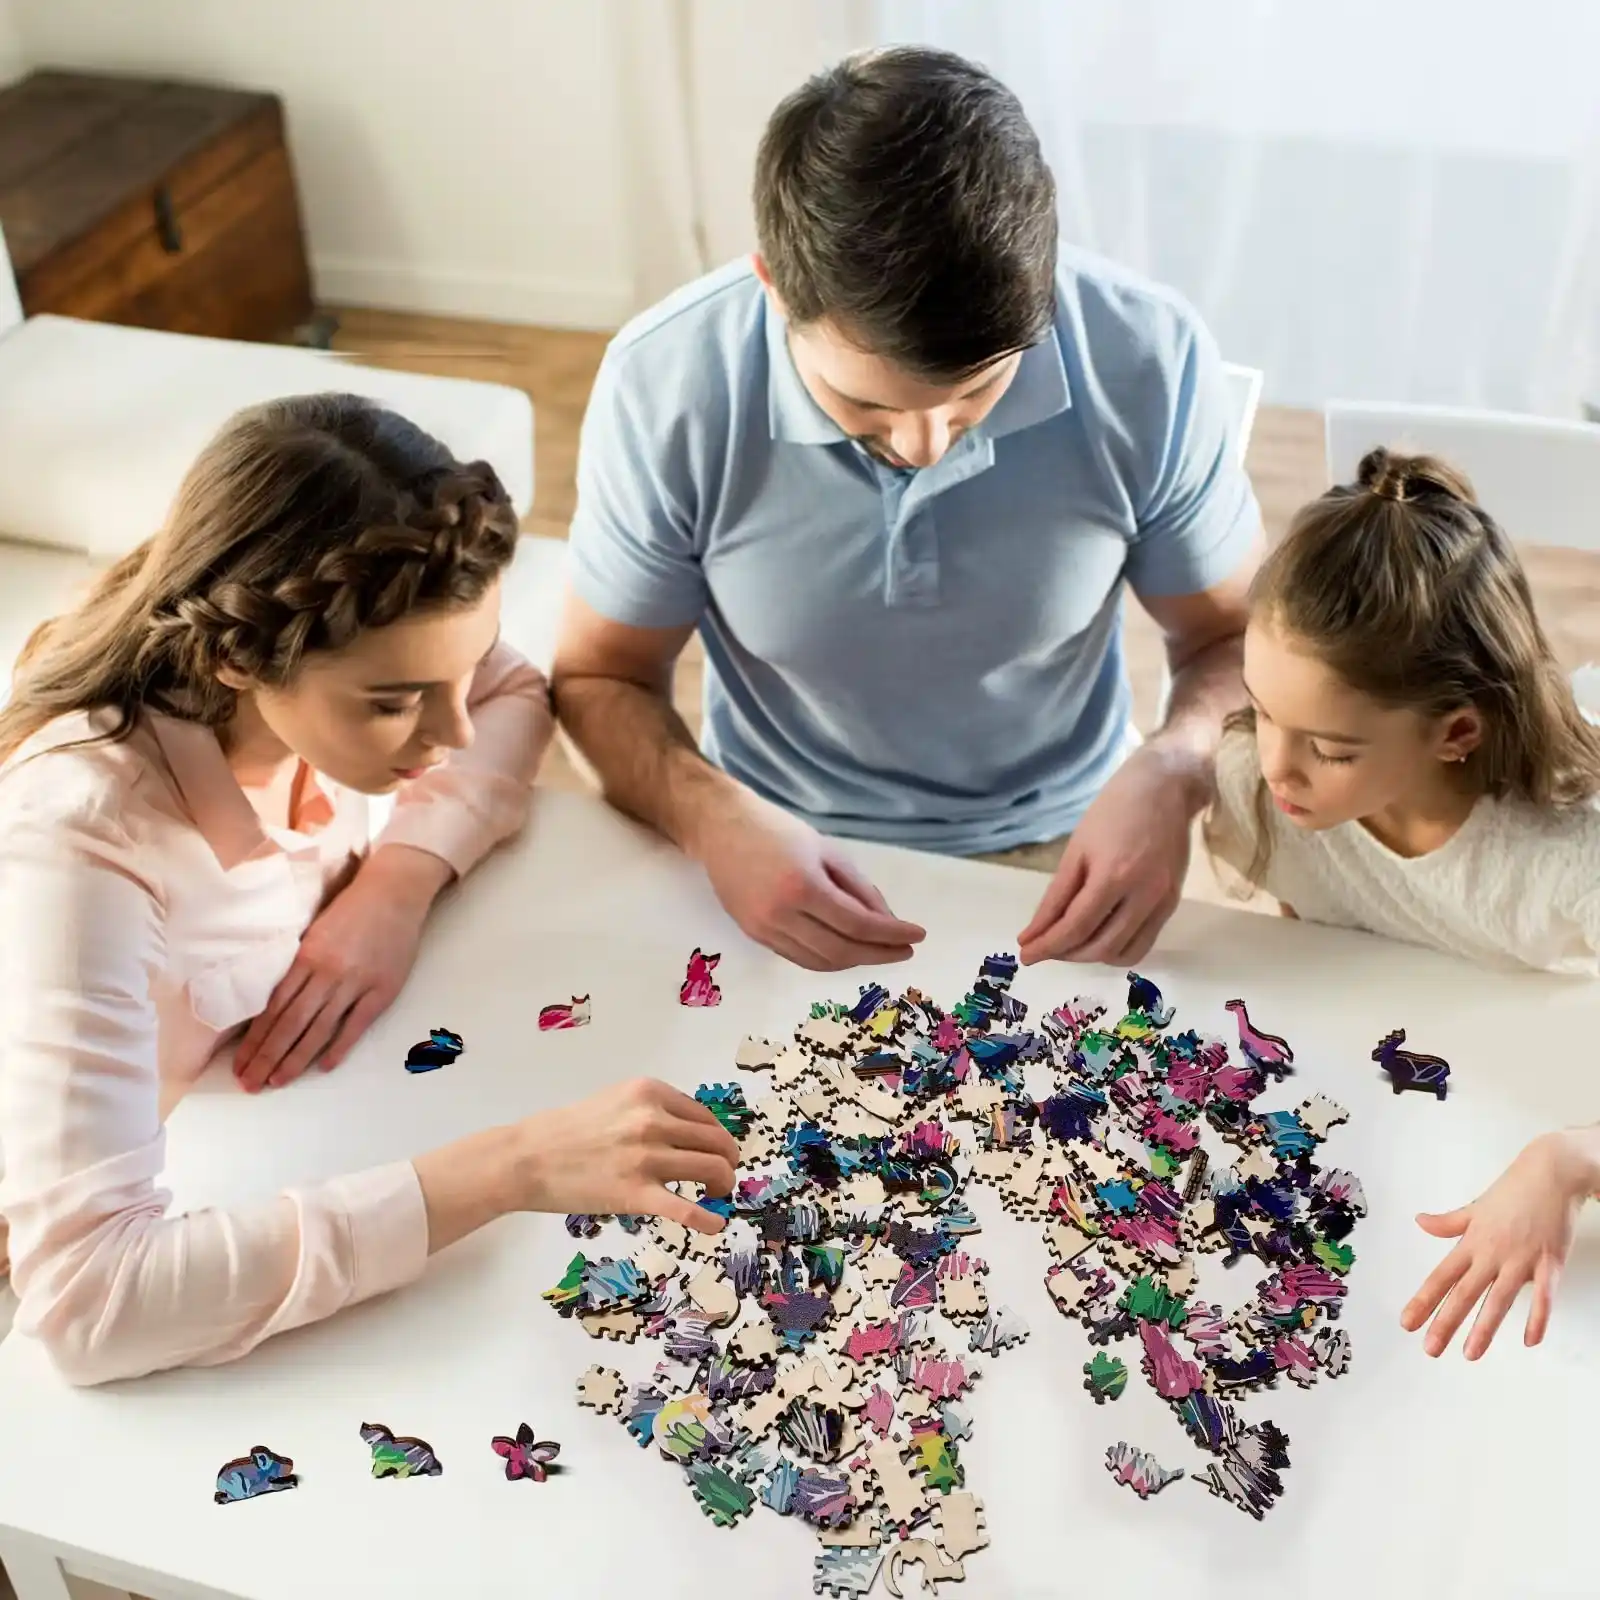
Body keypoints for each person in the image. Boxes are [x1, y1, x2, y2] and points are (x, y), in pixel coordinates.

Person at [0, 394, 738, 1386]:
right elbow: (92, 1307)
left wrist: (396, 881)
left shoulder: (338, 648)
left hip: (283, 1120)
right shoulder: (84, 843)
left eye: (455, 671)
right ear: (237, 659)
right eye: (392, 705)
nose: (452, 738)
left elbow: (512, 692)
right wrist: (511, 1167)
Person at [553, 46, 1264, 974]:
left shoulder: (1147, 358)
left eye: (977, 397)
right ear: (775, 288)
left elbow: (1236, 643)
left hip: (1071, 844)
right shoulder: (667, 384)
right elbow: (599, 681)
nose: (928, 446)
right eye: (869, 408)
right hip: (763, 841)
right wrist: (707, 814)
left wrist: (1175, 772)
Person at [1206, 446, 1600, 1361]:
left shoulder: (1574, 861)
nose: (1276, 766)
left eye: (1331, 749)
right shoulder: (1256, 793)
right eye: (1261, 710)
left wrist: (1570, 1159)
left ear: (1456, 732)